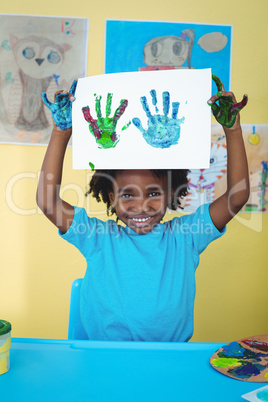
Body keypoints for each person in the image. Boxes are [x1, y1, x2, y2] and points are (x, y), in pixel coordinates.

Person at [37, 77, 249, 342]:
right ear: (112, 197)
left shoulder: (185, 237)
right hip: (106, 358)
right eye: (128, 195)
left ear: (171, 193)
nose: (141, 205)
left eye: (153, 193)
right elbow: (48, 202)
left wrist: (232, 131)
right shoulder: (98, 238)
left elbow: (237, 197)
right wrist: (60, 132)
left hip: (170, 360)